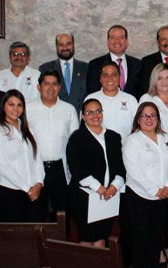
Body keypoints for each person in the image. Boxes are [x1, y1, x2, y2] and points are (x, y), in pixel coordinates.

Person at [123, 102, 168, 268]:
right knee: (141, 240)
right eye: (144, 116)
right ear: (138, 119)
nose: (149, 119)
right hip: (140, 197)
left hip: (163, 196)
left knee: (155, 239)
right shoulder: (132, 141)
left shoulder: (165, 138)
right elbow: (134, 170)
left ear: (158, 118)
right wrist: (155, 190)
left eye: (152, 115)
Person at [66, 98, 125, 246]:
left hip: (108, 195)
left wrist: (113, 187)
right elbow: (77, 168)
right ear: (83, 116)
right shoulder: (76, 138)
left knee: (102, 236)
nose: (95, 115)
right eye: (90, 112)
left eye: (98, 111)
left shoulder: (113, 137)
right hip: (85, 196)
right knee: (87, 237)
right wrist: (99, 188)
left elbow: (120, 166)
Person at [27, 71, 79, 218]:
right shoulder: (28, 110)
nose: (51, 88)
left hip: (60, 169)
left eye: (54, 84)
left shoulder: (69, 110)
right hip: (36, 170)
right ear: (38, 87)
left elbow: (74, 142)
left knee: (62, 214)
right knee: (36, 212)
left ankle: (61, 241)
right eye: (46, 84)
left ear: (60, 87)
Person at [0, 90, 46, 222]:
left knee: (35, 235)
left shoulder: (28, 129)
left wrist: (38, 183)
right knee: (13, 238)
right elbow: (3, 167)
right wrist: (27, 188)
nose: (16, 109)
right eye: (11, 104)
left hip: (34, 192)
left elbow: (37, 159)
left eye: (19, 105)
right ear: (3, 106)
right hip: (10, 192)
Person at [84, 61, 138, 141]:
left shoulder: (131, 100)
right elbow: (84, 127)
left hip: (125, 149)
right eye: (105, 75)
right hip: (97, 150)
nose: (110, 78)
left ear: (120, 77)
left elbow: (138, 128)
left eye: (114, 75)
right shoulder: (90, 99)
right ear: (100, 79)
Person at [39, 33, 89, 113]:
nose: (65, 48)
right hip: (55, 115)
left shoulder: (86, 68)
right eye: (61, 45)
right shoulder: (45, 68)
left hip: (80, 117)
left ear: (73, 45)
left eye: (68, 44)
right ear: (56, 47)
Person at [86, 25, 142, 96]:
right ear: (108, 42)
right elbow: (93, 92)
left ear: (126, 42)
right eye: (113, 38)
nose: (117, 41)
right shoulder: (95, 64)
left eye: (121, 37)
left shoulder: (138, 64)